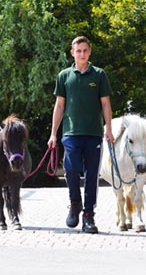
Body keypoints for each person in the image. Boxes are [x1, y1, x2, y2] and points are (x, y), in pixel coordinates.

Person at [48, 36, 114, 234]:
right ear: (72, 53)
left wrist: (108, 129)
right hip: (70, 133)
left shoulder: (99, 75)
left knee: (92, 175)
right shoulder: (64, 76)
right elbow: (59, 105)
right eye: (78, 51)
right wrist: (53, 134)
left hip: (93, 133)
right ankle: (75, 203)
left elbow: (105, 103)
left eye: (85, 50)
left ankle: (88, 216)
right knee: (71, 169)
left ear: (90, 52)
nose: (82, 54)